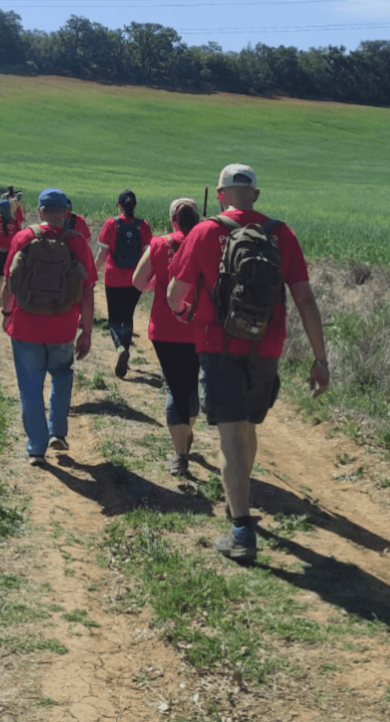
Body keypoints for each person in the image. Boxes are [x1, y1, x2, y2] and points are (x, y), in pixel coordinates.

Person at [166, 164, 330, 563]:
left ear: (221, 194)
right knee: (248, 428)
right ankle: (238, 496)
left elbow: (174, 293)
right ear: (255, 195)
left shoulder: (205, 231)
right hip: (267, 347)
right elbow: (305, 299)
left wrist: (189, 316)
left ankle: (241, 529)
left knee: (230, 433)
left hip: (218, 345)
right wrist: (320, 358)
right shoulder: (281, 234)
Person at [1, 188, 97, 466]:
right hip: (63, 327)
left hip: (25, 326)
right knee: (61, 374)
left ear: (40, 211)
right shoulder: (77, 242)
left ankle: (36, 448)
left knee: (29, 387)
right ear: (65, 213)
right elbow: (88, 290)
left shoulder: (24, 237)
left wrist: (7, 312)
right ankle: (58, 432)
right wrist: (86, 330)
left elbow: (10, 282)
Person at [132, 198, 203, 477]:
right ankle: (185, 435)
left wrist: (157, 284)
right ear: (197, 218)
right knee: (191, 387)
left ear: (173, 219)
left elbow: (138, 281)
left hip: (164, 327)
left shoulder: (159, 245)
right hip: (199, 327)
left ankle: (180, 453)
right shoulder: (205, 242)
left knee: (175, 387)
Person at [95, 190, 152, 378]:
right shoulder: (143, 226)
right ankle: (126, 350)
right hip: (134, 279)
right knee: (128, 316)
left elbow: (102, 255)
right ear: (134, 205)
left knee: (113, 318)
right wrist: (149, 278)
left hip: (113, 278)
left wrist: (93, 273)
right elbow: (148, 255)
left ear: (119, 205)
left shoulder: (111, 224)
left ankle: (120, 348)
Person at [0, 197, 22, 306]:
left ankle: (0, 299)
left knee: (0, 276)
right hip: (12, 254)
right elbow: (19, 237)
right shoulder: (15, 223)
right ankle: (10, 299)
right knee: (10, 277)